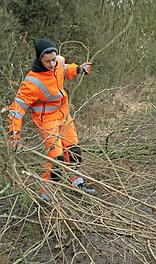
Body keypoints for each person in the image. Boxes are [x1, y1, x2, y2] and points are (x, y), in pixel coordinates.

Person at [7, 39, 96, 201]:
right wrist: (14, 136)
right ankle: (46, 193)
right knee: (57, 160)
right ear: (39, 59)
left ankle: (76, 181)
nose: (52, 64)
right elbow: (16, 110)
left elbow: (65, 69)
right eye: (47, 61)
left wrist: (78, 69)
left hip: (64, 116)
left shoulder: (58, 62)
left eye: (54, 59)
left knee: (74, 151)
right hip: (47, 121)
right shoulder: (32, 82)